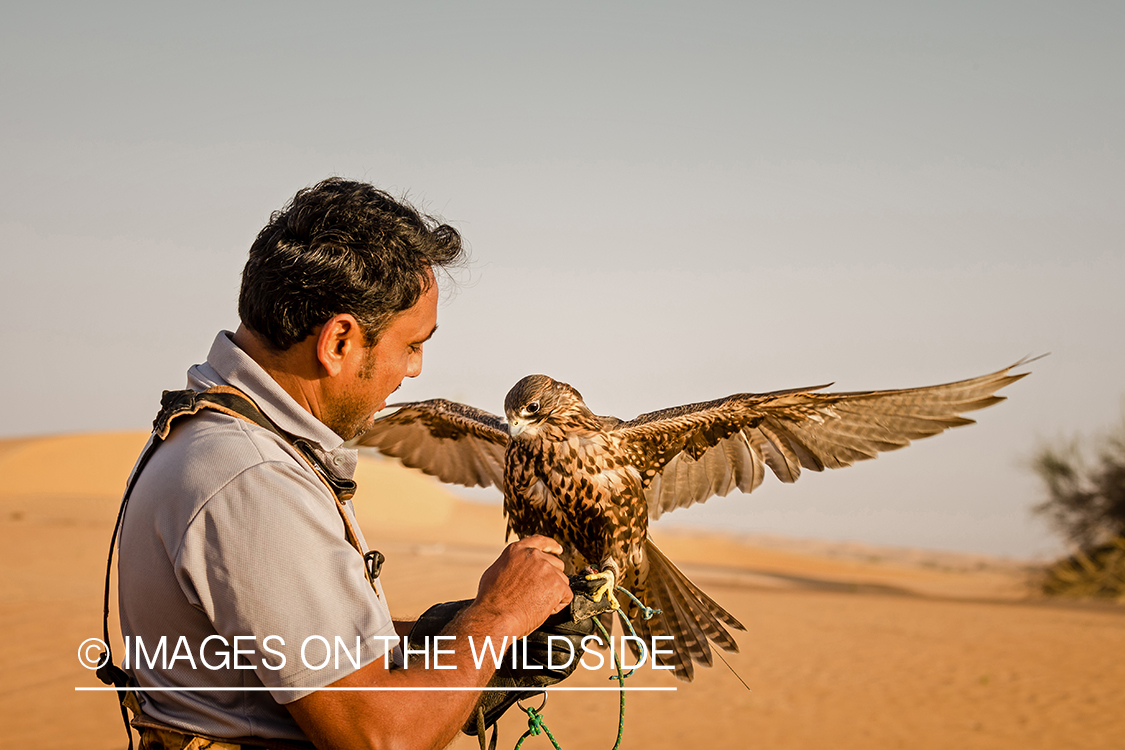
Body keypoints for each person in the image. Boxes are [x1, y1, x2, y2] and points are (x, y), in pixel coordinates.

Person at [116, 177, 574, 750]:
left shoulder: (214, 436)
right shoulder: (252, 476)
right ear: (338, 342)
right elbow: (380, 738)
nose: (416, 370)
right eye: (411, 345)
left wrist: (456, 639)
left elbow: (304, 658)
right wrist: (498, 617)